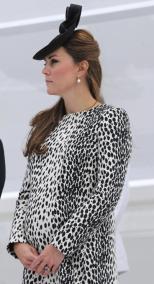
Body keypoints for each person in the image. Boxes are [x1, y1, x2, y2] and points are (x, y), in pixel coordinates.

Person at [7, 4, 132, 284]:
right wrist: (18, 242)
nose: (45, 71)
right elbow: (27, 193)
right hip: (38, 267)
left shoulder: (110, 119)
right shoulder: (44, 124)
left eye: (53, 62)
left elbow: (106, 193)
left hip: (84, 264)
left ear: (81, 67)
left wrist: (60, 245)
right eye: (44, 64)